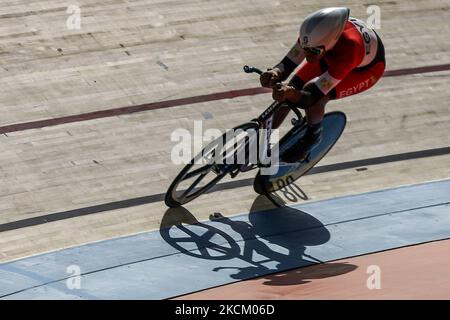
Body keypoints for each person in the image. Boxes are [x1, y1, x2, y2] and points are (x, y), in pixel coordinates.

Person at [260, 7, 386, 162]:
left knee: (317, 98)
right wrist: (275, 72)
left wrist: (291, 93)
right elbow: (288, 63)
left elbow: (311, 97)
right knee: (292, 86)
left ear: (331, 41)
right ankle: (260, 140)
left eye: (312, 52)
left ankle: (313, 137)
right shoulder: (313, 37)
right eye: (305, 49)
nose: (306, 56)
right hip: (329, 54)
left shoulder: (351, 50)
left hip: (365, 71)